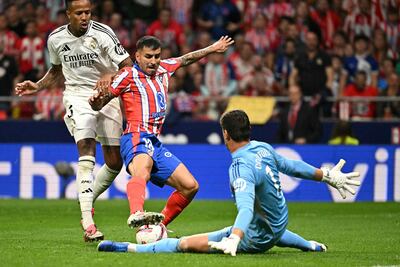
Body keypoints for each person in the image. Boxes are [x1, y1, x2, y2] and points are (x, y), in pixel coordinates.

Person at [97, 110, 361, 256]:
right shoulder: (262, 148)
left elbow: (245, 210)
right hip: (275, 226)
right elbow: (292, 166)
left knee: (185, 244)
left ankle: (128, 248)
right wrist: (326, 175)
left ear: (225, 134)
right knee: (269, 226)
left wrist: (235, 238)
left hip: (253, 238)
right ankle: (308, 244)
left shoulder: (240, 168)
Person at [15, 0, 133, 242]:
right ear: (68, 14)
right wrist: (37, 85)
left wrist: (110, 76)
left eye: (88, 12)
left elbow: (127, 66)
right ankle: (88, 222)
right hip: (77, 96)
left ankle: (85, 198)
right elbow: (57, 70)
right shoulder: (56, 39)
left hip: (107, 95)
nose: (84, 16)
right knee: (87, 149)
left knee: (114, 162)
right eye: (79, 12)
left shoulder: (103, 33)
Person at [89, 35, 235, 230]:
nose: (154, 61)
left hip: (154, 142)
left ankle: (158, 229)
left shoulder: (165, 68)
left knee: (190, 186)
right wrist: (95, 100)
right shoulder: (127, 75)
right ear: (137, 57)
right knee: (143, 168)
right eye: (148, 56)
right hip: (135, 136)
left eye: (157, 56)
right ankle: (136, 213)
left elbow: (186, 59)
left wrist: (212, 48)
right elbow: (102, 101)